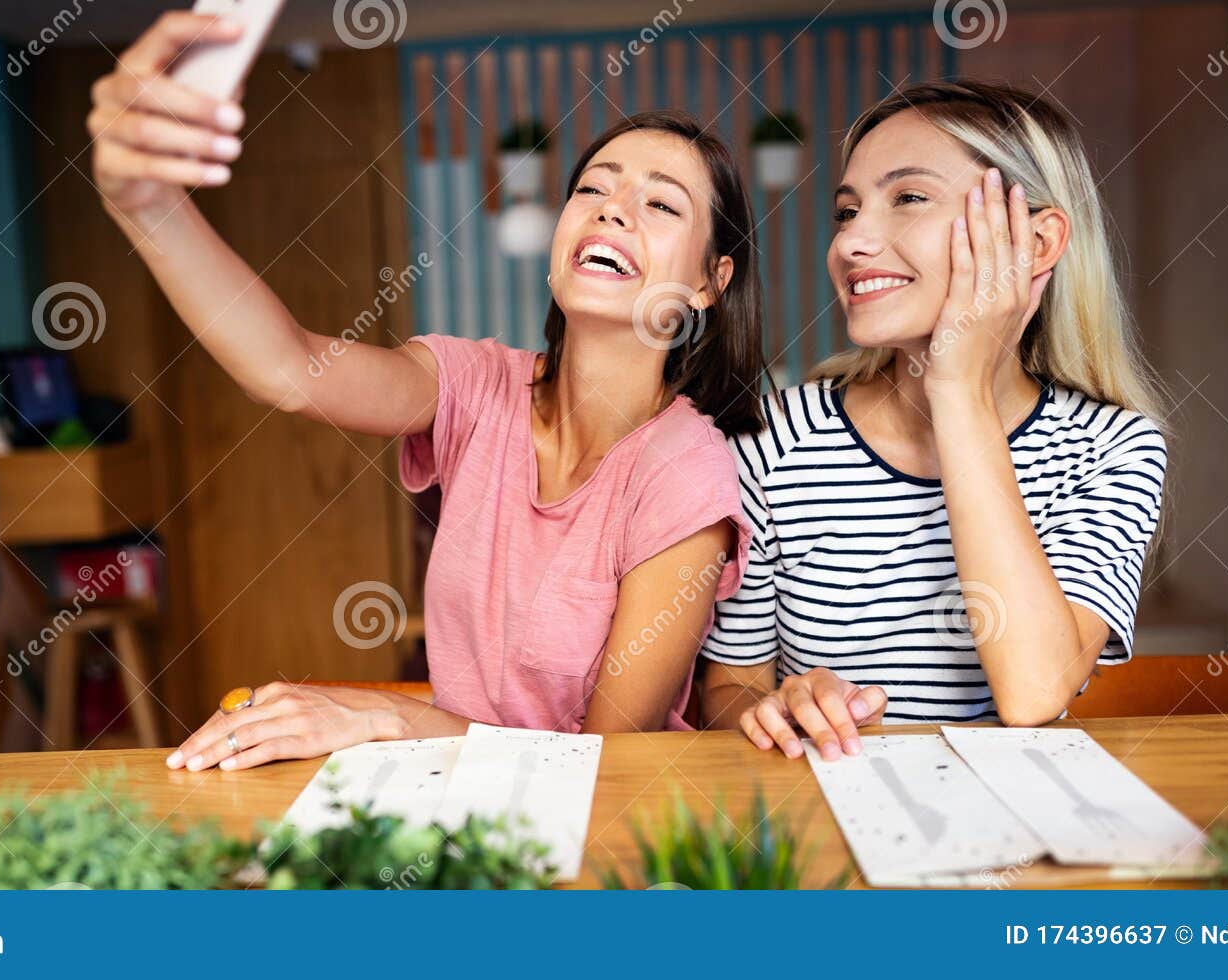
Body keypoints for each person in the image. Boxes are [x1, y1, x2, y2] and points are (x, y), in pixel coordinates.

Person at [86, 12, 763, 770]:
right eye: (592, 188)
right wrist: (146, 205)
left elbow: (605, 768)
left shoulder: (684, 471)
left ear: (710, 281)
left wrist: (384, 715)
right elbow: (287, 369)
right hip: (446, 800)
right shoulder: (476, 385)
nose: (611, 207)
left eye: (662, 204)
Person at [700, 80, 1169, 760]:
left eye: (909, 198)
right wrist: (777, 708)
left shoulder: (1111, 449)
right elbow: (729, 687)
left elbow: (1035, 691)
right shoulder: (774, 438)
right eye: (846, 210)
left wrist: (956, 385)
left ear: (1036, 243)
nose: (852, 242)